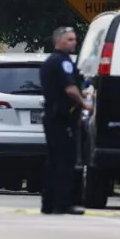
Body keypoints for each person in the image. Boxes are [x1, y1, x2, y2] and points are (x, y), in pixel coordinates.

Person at [39, 26, 88, 215]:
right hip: (62, 117)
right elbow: (70, 89)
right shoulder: (62, 62)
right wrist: (84, 103)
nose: (73, 42)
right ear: (58, 41)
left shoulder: (51, 62)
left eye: (74, 39)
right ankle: (63, 203)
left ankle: (49, 203)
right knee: (65, 161)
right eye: (69, 39)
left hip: (52, 116)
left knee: (52, 161)